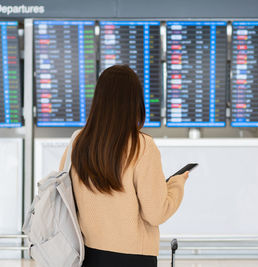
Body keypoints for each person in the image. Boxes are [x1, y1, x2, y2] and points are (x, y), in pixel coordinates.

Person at [58, 65, 189, 267]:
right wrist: (176, 185)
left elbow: (66, 198)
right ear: (134, 102)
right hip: (134, 258)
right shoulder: (142, 146)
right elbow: (156, 213)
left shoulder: (78, 143)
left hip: (87, 256)